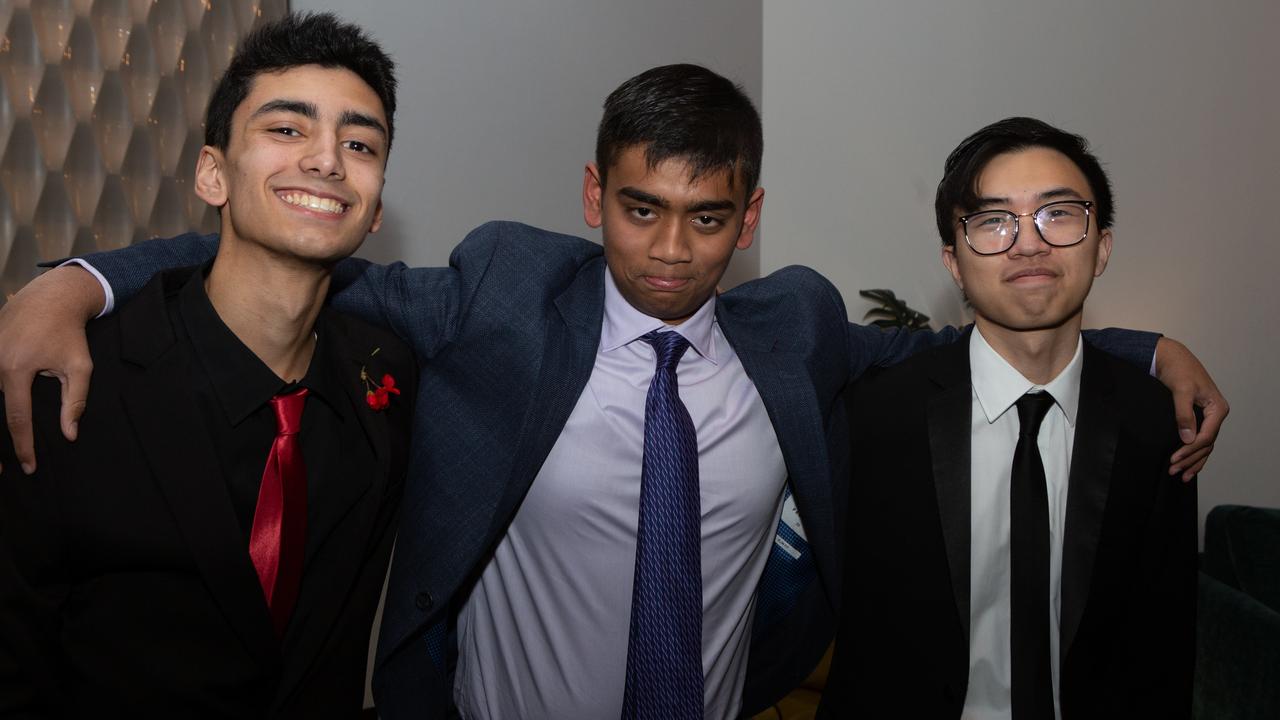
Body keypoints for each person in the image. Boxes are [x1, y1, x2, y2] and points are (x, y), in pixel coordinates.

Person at [0, 66, 1224, 718]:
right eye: (640, 212)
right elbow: (298, 253)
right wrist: (80, 282)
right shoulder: (500, 296)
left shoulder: (791, 325)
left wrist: (1145, 347)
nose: (671, 252)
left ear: (749, 218)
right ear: (594, 199)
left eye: (706, 220)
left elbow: (969, 347)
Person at [0, 13, 416, 717]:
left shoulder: (387, 375)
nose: (326, 160)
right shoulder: (71, 382)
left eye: (359, 142)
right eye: (287, 129)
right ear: (212, 173)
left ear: (373, 208)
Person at [820, 117, 1197, 719]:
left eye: (1059, 213)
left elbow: (1161, 644)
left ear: (1101, 245)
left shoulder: (1154, 422)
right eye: (993, 221)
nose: (1029, 243)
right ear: (953, 261)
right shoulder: (876, 417)